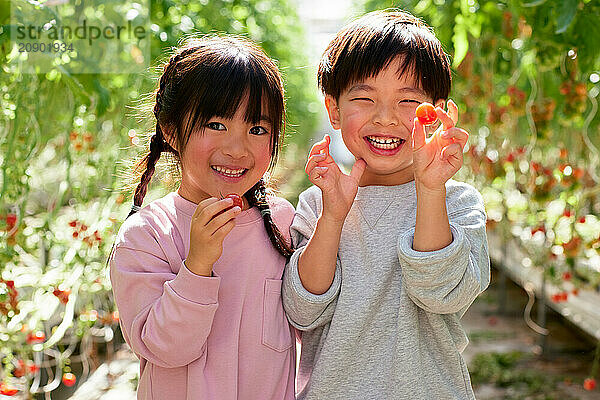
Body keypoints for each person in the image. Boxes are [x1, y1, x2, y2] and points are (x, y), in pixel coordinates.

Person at [282, 10, 490, 399]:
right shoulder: (317, 202)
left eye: (408, 101)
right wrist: (333, 217)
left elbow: (443, 294)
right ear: (333, 110)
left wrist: (430, 190)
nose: (386, 118)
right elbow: (302, 311)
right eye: (364, 98)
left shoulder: (458, 202)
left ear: (437, 114)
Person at [109, 35, 296, 400]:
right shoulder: (146, 236)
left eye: (257, 129)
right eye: (216, 124)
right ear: (171, 130)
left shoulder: (282, 224)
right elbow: (165, 349)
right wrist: (197, 266)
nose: (237, 148)